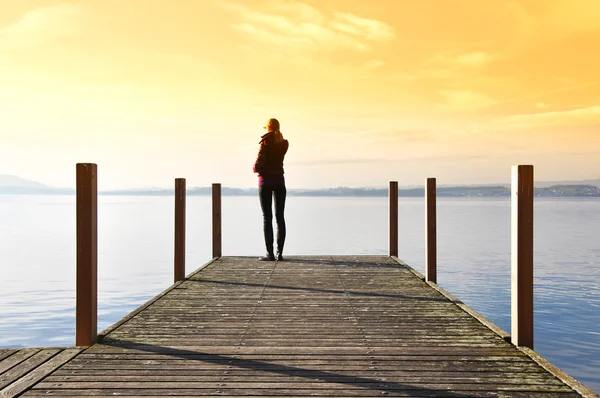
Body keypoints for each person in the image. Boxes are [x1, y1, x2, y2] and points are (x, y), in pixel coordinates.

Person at [253, 118, 289, 261]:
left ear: (268, 128)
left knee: (267, 218)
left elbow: (258, 164)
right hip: (280, 181)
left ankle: (270, 254)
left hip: (265, 182)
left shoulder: (265, 142)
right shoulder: (284, 143)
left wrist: (255, 168)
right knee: (280, 217)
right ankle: (280, 253)